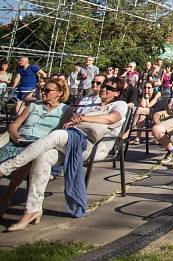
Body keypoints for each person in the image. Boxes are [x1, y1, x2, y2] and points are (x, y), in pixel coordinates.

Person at [0, 78, 127, 230]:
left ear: (117, 93)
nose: (103, 89)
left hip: (91, 146)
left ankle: (6, 168)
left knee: (57, 135)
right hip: (72, 140)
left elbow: (111, 118)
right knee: (43, 157)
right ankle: (32, 209)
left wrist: (81, 118)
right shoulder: (91, 102)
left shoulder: (119, 104)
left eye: (108, 87)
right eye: (102, 85)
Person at [0, 78, 71, 220]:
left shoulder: (66, 110)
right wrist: (16, 136)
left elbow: (60, 134)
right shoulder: (33, 105)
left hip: (40, 144)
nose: (42, 92)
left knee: (27, 159)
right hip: (20, 140)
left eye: (47, 90)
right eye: (42, 89)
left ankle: (6, 197)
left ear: (59, 93)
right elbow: (14, 125)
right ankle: (5, 199)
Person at [131, 80, 162, 144]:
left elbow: (149, 105)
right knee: (141, 116)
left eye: (149, 88)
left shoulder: (157, 93)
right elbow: (143, 105)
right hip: (147, 111)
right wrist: (143, 95)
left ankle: (132, 126)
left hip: (157, 111)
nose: (146, 89)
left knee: (139, 109)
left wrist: (147, 97)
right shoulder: (144, 93)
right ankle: (138, 138)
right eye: (145, 87)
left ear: (153, 88)